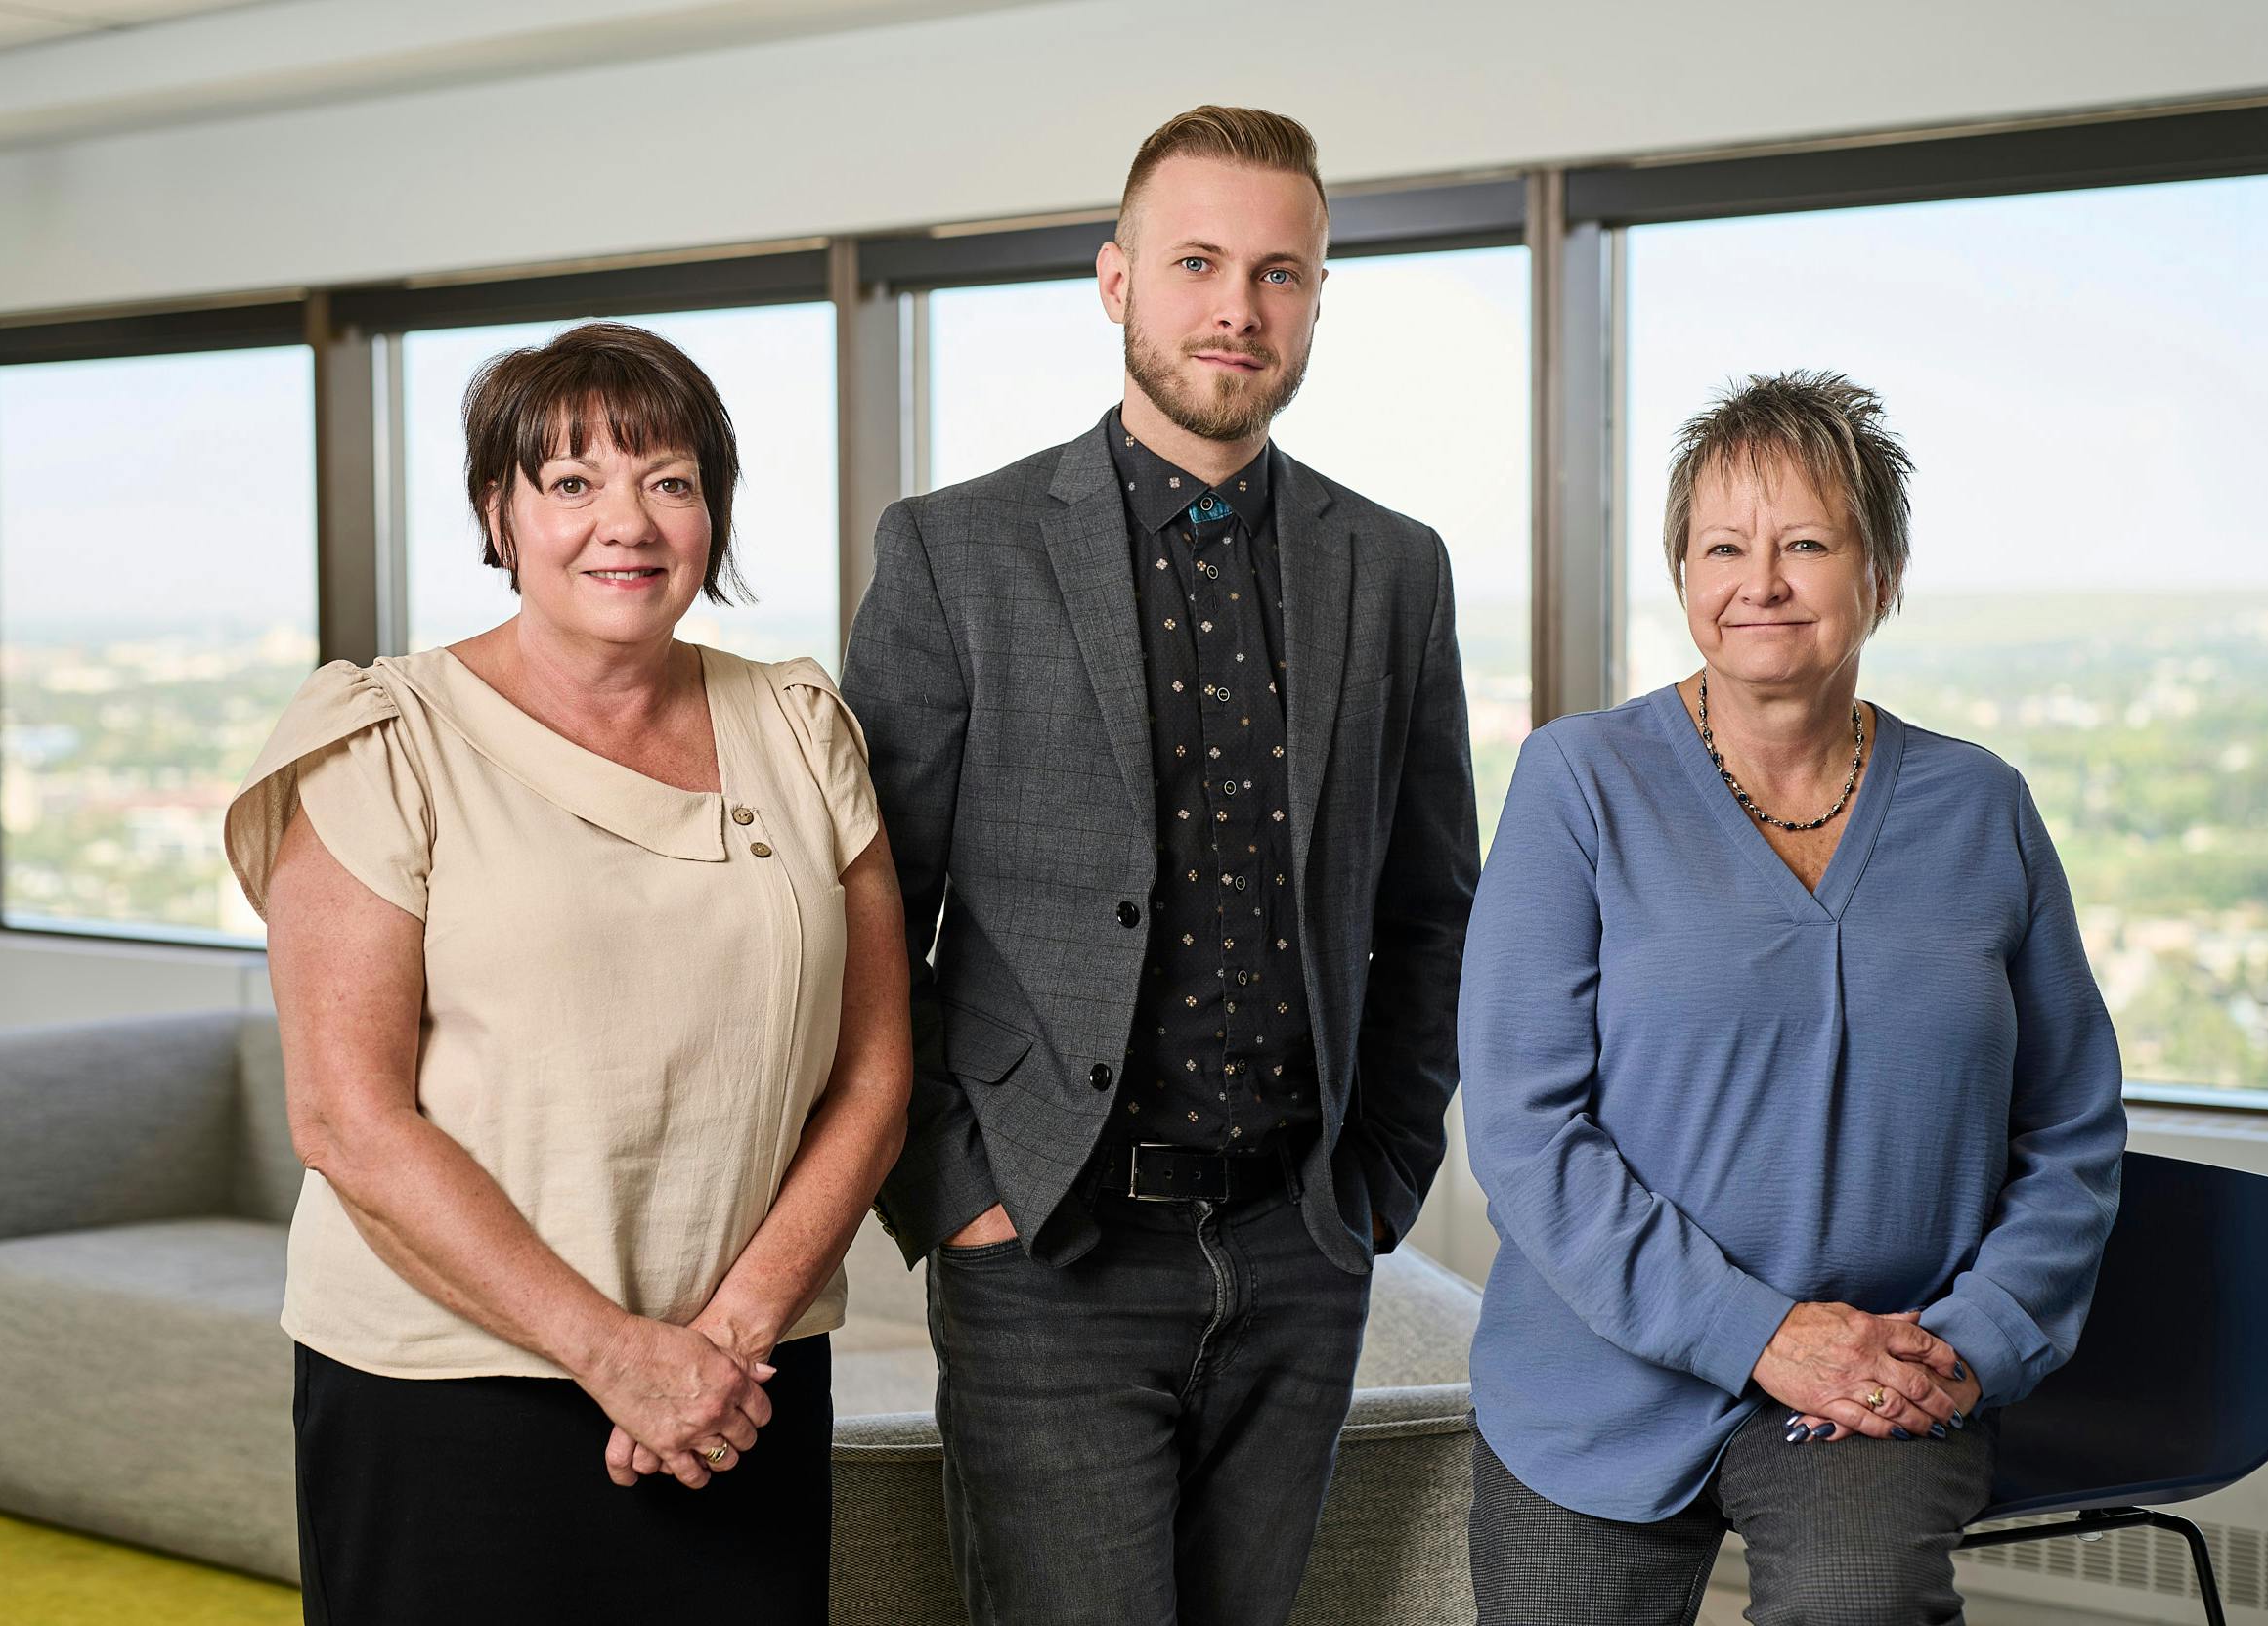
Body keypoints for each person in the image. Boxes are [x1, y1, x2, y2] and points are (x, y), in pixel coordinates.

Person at [840, 105, 1479, 1626]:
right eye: (1196, 261)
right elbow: (865, 912)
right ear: (1115, 278)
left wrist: (1376, 1181)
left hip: (1298, 1240)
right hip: (1050, 1242)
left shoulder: (1392, 567)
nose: (1235, 307)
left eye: (1279, 271)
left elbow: (1430, 901)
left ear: (1316, 297)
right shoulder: (955, 550)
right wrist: (956, 1189)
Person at [223, 321, 909, 1624]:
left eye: (669, 479)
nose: (627, 522)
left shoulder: (799, 724)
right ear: (501, 511)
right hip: (447, 1387)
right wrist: (616, 1356)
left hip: (740, 1383)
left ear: (710, 510)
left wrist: (723, 1342)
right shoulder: (382, 739)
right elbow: (346, 1119)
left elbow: (874, 1065)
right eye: (572, 482)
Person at [1459, 371, 2127, 1626]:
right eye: (1722, 545)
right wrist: (1758, 1331)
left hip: (1882, 1376)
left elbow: (2070, 1130)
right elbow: (1522, 1130)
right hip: (1597, 1372)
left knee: (1854, 1606)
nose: (1757, 582)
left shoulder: (1981, 807)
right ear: (1681, 574)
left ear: (1878, 574)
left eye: (1804, 543)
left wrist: (1967, 1343)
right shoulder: (1577, 783)